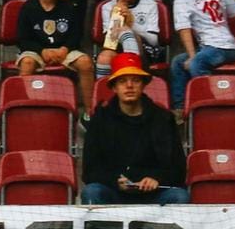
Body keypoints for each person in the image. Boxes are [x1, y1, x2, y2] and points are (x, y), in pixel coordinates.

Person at [81, 52, 189, 204]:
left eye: (135, 80)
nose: (129, 86)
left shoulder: (163, 118)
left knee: (179, 196)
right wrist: (115, 181)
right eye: (123, 81)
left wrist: (156, 180)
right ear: (114, 87)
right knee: (92, 192)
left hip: (154, 194)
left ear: (144, 85)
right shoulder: (101, 119)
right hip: (114, 193)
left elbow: (179, 169)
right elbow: (89, 171)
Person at [13, 0, 95, 110]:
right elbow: (23, 39)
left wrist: (65, 49)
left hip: (64, 50)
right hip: (37, 51)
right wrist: (42, 51)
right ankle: (24, 105)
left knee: (85, 63)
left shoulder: (70, 7)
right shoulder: (28, 8)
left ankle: (91, 110)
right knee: (27, 63)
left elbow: (76, 35)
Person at [96, 0, 163, 78]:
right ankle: (103, 94)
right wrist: (116, 18)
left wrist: (130, 26)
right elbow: (108, 42)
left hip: (145, 52)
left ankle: (132, 72)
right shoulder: (107, 7)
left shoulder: (151, 5)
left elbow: (154, 40)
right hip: (117, 49)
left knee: (126, 31)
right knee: (104, 58)